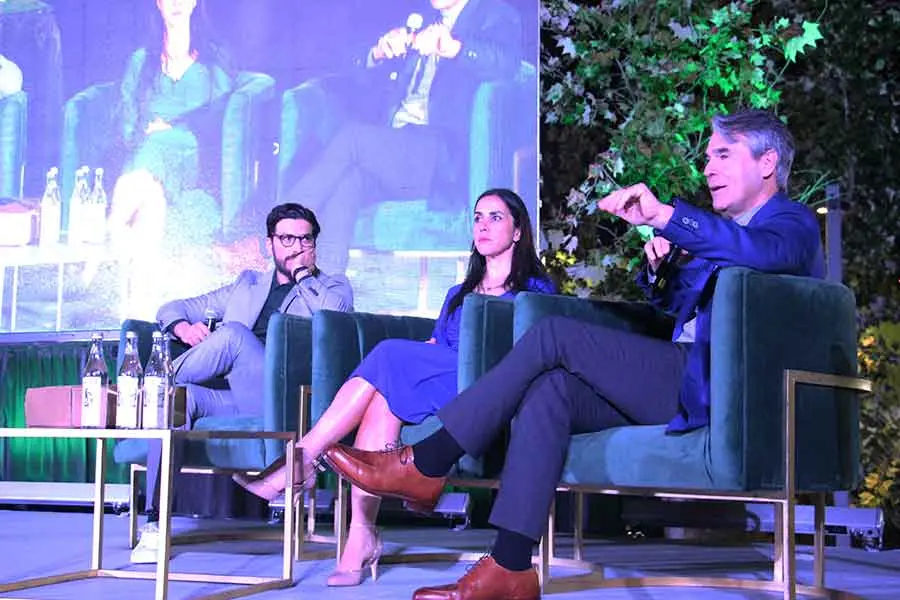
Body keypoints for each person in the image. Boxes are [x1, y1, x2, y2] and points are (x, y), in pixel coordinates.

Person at [321, 109, 826, 599]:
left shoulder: (791, 221)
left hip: (722, 387)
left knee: (554, 334)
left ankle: (429, 461)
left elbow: (763, 255)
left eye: (723, 154)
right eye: (708, 157)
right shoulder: (720, 240)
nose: (708, 167)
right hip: (682, 381)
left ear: (766, 164)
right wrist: (661, 270)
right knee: (551, 388)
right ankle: (510, 566)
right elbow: (673, 308)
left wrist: (667, 217)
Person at [234, 188, 555, 586]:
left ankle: (302, 460)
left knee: (387, 356)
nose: (483, 226)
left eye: (495, 217)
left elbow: (528, 356)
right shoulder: (458, 295)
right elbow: (438, 345)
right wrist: (416, 360)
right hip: (443, 380)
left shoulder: (536, 292)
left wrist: (411, 361)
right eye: (477, 217)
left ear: (518, 230)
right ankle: (361, 535)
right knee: (382, 397)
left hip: (489, 388)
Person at [131, 202, 353, 564]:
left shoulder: (332, 286)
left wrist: (303, 276)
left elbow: (334, 315)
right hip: (237, 396)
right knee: (176, 401)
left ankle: (142, 388)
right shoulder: (246, 285)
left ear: (314, 244)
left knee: (233, 335)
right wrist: (182, 328)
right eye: (286, 238)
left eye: (304, 239)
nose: (295, 246)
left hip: (286, 398)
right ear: (270, 244)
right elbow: (171, 307)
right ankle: (156, 524)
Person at [283, 0, 523, 275]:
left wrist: (455, 47)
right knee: (348, 181)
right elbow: (348, 68)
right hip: (394, 150)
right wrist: (378, 53)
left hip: (440, 155)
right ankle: (327, 289)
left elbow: (508, 66)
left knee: (352, 138)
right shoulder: (420, 19)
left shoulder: (494, 14)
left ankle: (280, 234)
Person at [107, 0, 233, 317]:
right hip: (146, 155)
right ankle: (139, 308)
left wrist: (173, 125)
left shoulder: (214, 58)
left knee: (157, 152)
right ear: (157, 4)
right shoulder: (141, 60)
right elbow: (125, 120)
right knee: (151, 198)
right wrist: (146, 132)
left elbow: (222, 120)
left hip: (190, 154)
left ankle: (111, 232)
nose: (176, 2)